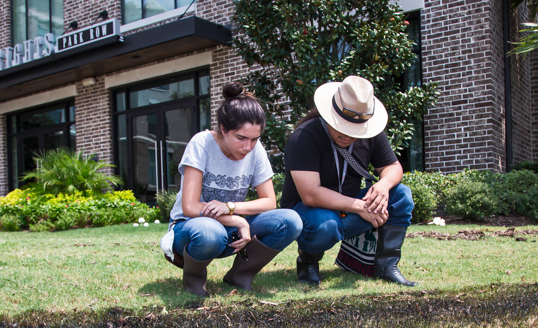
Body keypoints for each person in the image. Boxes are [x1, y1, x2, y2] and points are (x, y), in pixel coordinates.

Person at [164, 82, 302, 297]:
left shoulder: (255, 151)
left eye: (254, 139)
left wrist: (230, 207)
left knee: (290, 220)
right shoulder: (202, 143)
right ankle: (194, 281)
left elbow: (269, 202)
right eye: (241, 138)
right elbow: (190, 207)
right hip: (191, 229)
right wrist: (236, 219)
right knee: (210, 231)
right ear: (223, 129)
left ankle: (240, 275)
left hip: (230, 230)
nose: (248, 147)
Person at [281, 75, 416, 286]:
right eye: (342, 127)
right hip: (309, 211)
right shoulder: (304, 136)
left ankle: (385, 265)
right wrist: (359, 207)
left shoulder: (372, 133)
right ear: (330, 115)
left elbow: (393, 167)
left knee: (401, 195)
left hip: (351, 205)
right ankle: (307, 262)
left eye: (355, 130)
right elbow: (310, 194)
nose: (348, 135)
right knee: (325, 225)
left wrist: (383, 185)